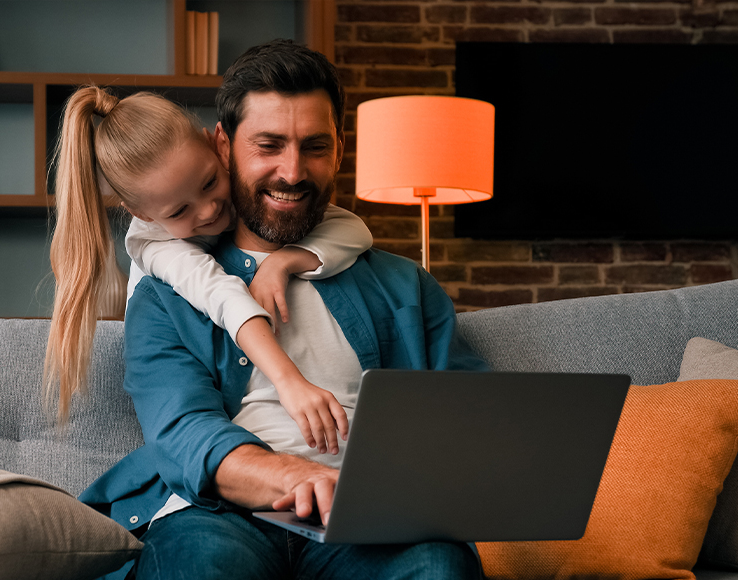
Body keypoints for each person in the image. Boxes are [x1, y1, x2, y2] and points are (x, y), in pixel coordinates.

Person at [79, 39, 490, 579]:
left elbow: (473, 417)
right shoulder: (168, 290)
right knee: (203, 564)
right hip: (219, 514)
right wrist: (294, 476)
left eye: (314, 147)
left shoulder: (403, 285)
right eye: (269, 145)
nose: (293, 172)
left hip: (364, 525)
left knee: (439, 564)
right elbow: (182, 429)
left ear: (339, 150)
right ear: (222, 145)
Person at [45, 86, 373, 455]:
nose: (208, 210)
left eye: (209, 183)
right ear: (143, 215)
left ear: (215, 146)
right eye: (179, 212)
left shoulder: (241, 188)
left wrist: (283, 262)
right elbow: (225, 298)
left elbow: (352, 227)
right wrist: (289, 381)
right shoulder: (155, 247)